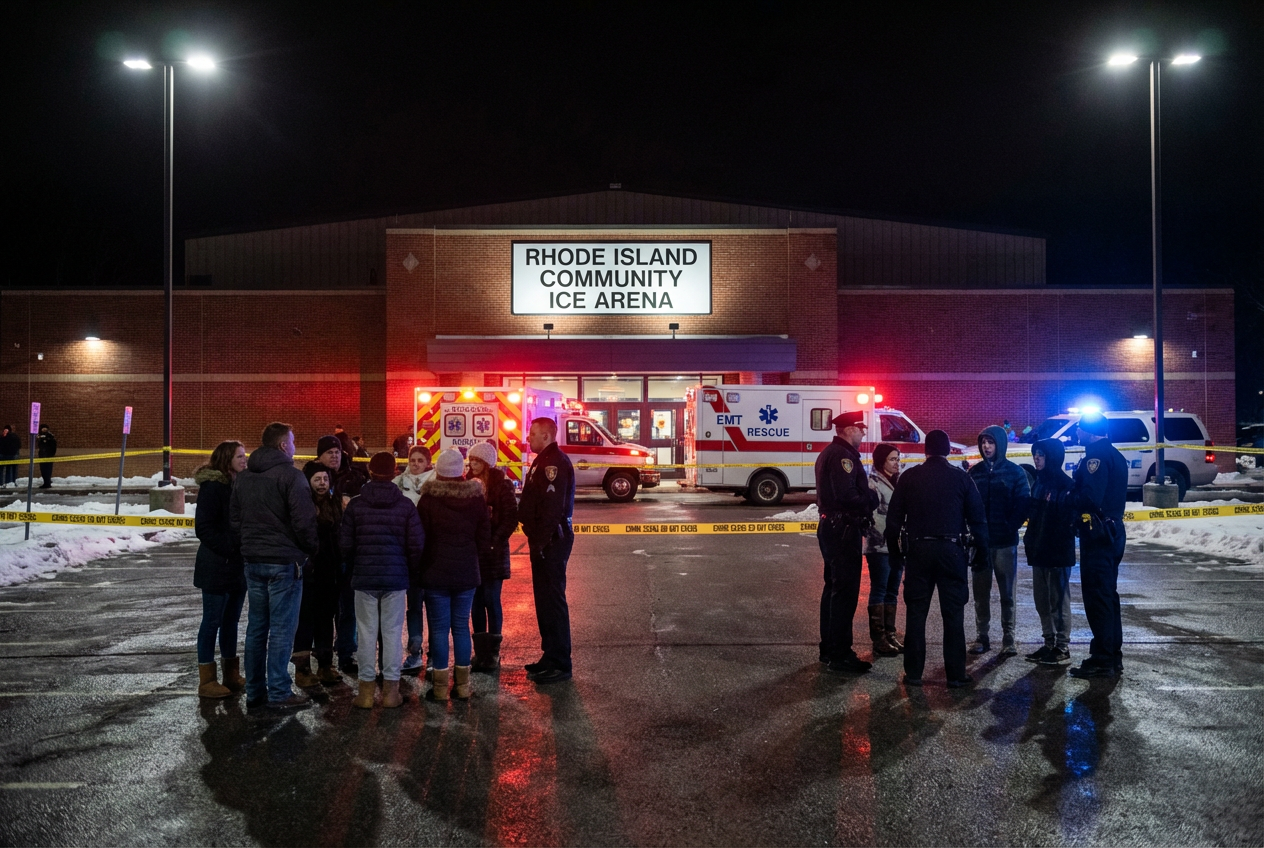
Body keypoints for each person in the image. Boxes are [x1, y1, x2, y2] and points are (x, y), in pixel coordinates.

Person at [885, 429, 989, 688]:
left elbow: (893, 520)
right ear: (947, 451)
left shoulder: (909, 477)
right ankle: (955, 674)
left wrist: (897, 555)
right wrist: (982, 555)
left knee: (916, 614)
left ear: (925, 450)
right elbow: (977, 519)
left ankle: (914, 673)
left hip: (918, 553)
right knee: (953, 615)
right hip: (952, 552)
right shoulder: (961, 479)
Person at [230, 423, 320, 711]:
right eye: (292, 441)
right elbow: (304, 522)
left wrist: (250, 543)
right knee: (282, 629)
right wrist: (308, 550)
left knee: (257, 627)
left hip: (253, 561)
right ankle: (280, 691)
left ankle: (256, 691)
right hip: (284, 563)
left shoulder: (244, 478)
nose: (294, 446)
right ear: (283, 445)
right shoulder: (291, 477)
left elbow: (235, 520)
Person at [340, 452, 424, 709]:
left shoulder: (356, 504)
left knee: (365, 634)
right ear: (395, 471)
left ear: (370, 471)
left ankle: (365, 693)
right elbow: (416, 545)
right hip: (395, 579)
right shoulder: (405, 505)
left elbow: (345, 545)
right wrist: (407, 569)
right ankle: (390, 692)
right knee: (392, 633)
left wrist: (356, 565)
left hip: (364, 578)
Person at [417, 449, 488, 700]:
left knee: (438, 630)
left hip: (435, 574)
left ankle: (438, 689)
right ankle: (463, 686)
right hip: (467, 573)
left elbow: (420, 540)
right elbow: (483, 537)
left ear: (438, 470)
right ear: (461, 470)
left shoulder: (428, 500)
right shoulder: (476, 499)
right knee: (460, 627)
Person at [815, 410, 879, 675]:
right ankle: (840, 654)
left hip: (833, 527)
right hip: (842, 529)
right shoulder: (843, 456)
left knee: (833, 589)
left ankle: (829, 648)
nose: (864, 432)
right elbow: (848, 495)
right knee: (844, 592)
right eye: (861, 428)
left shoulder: (830, 452)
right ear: (848, 429)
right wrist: (871, 498)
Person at [1067, 413, 1129, 679]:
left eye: (1079, 429)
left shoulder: (1095, 457)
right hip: (1113, 532)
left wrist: (1071, 495)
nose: (1077, 433)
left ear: (1088, 432)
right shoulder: (1114, 454)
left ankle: (1103, 659)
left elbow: (1091, 497)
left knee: (1098, 598)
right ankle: (1111, 654)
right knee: (1108, 595)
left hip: (1099, 535)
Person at [518, 417, 576, 684]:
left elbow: (552, 509)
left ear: (546, 435)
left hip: (551, 541)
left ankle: (561, 662)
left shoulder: (554, 463)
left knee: (553, 602)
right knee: (543, 601)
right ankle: (549, 655)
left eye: (532, 434)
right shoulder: (542, 459)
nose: (528, 438)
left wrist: (540, 543)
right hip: (543, 540)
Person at [967, 425, 1031, 657]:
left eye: (991, 442)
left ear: (1000, 445)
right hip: (980, 544)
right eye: (983, 442)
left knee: (1007, 593)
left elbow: (1023, 503)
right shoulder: (974, 472)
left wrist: (1010, 526)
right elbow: (967, 504)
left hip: (1005, 543)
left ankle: (1008, 638)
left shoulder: (1015, 473)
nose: (986, 446)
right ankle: (982, 636)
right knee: (980, 594)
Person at [192, 440, 248, 699]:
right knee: (212, 621)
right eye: (239, 456)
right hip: (216, 565)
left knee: (231, 622)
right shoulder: (213, 488)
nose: (244, 459)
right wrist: (230, 547)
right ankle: (207, 680)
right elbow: (203, 528)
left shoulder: (241, 485)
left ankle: (230, 674)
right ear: (227, 459)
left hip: (237, 565)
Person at [291, 461, 345, 687]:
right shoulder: (303, 505)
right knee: (305, 620)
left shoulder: (335, 504)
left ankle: (325, 664)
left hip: (330, 571)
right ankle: (302, 669)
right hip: (308, 571)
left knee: (326, 618)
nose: (322, 484)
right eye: (317, 480)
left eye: (325, 479)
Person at [466, 441, 518, 672]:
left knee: (491, 599)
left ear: (486, 462)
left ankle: (494, 652)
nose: (472, 464)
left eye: (477, 460)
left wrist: (494, 543)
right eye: (471, 460)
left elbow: (510, 518)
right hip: (474, 552)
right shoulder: (467, 482)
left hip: (494, 553)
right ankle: (481, 652)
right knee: (476, 602)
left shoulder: (502, 485)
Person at [1023, 439, 1075, 666]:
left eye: (1041, 455)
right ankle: (1049, 643)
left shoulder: (1065, 485)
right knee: (1041, 601)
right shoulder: (1039, 483)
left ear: (1052, 457)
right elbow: (1034, 519)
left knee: (1058, 602)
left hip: (1057, 554)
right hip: (1039, 552)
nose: (1037, 459)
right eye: (1035, 454)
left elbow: (1066, 523)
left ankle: (1062, 647)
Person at [314, 434, 359, 675]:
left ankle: (346, 652)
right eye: (329, 452)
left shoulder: (354, 477)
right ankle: (322, 656)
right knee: (323, 609)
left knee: (348, 607)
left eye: (337, 451)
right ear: (320, 455)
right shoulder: (314, 477)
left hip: (348, 553)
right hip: (323, 554)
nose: (334, 455)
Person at [394, 444, 434, 676]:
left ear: (428, 463)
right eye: (413, 460)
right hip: (408, 554)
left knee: (435, 606)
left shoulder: (436, 484)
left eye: (420, 460)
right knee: (414, 605)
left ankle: (435, 653)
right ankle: (415, 650)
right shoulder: (398, 484)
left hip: (432, 553)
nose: (416, 464)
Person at [865, 443, 904, 657]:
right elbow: (873, 517)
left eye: (898, 459)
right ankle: (878, 639)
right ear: (881, 461)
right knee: (880, 589)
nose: (897, 463)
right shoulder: (873, 484)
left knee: (892, 590)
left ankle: (890, 635)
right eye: (892, 459)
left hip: (897, 546)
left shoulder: (898, 482)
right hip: (879, 546)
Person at [36, 423, 57, 488]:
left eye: (45, 428)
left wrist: (51, 454)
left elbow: (53, 446)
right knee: (43, 470)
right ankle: (46, 481)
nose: (44, 429)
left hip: (48, 456)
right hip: (42, 456)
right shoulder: (39, 437)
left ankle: (47, 483)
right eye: (43, 428)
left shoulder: (50, 436)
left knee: (47, 470)